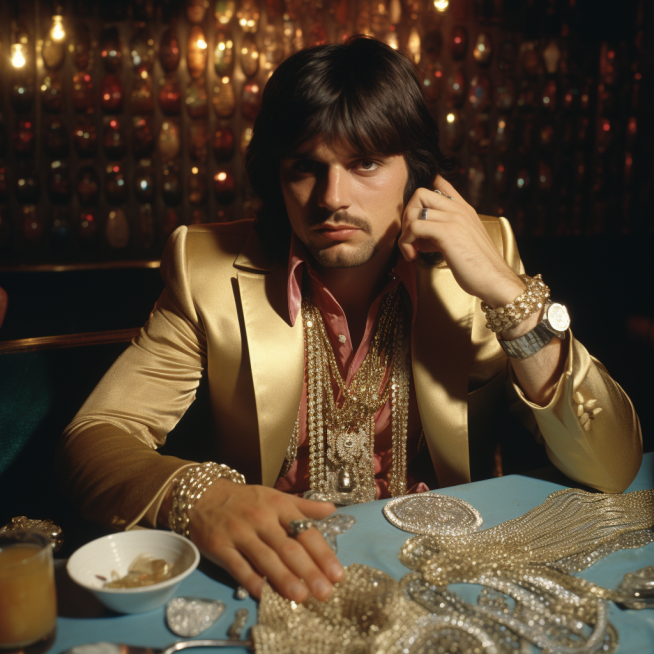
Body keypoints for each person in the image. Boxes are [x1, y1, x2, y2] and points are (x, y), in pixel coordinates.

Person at [56, 36, 642, 606]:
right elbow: (95, 437)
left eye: (365, 163)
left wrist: (507, 294)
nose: (332, 196)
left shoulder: (484, 256)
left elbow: (612, 465)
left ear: (415, 172)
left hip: (447, 575)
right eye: (306, 167)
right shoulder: (205, 269)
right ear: (277, 178)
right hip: (281, 578)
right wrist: (205, 499)